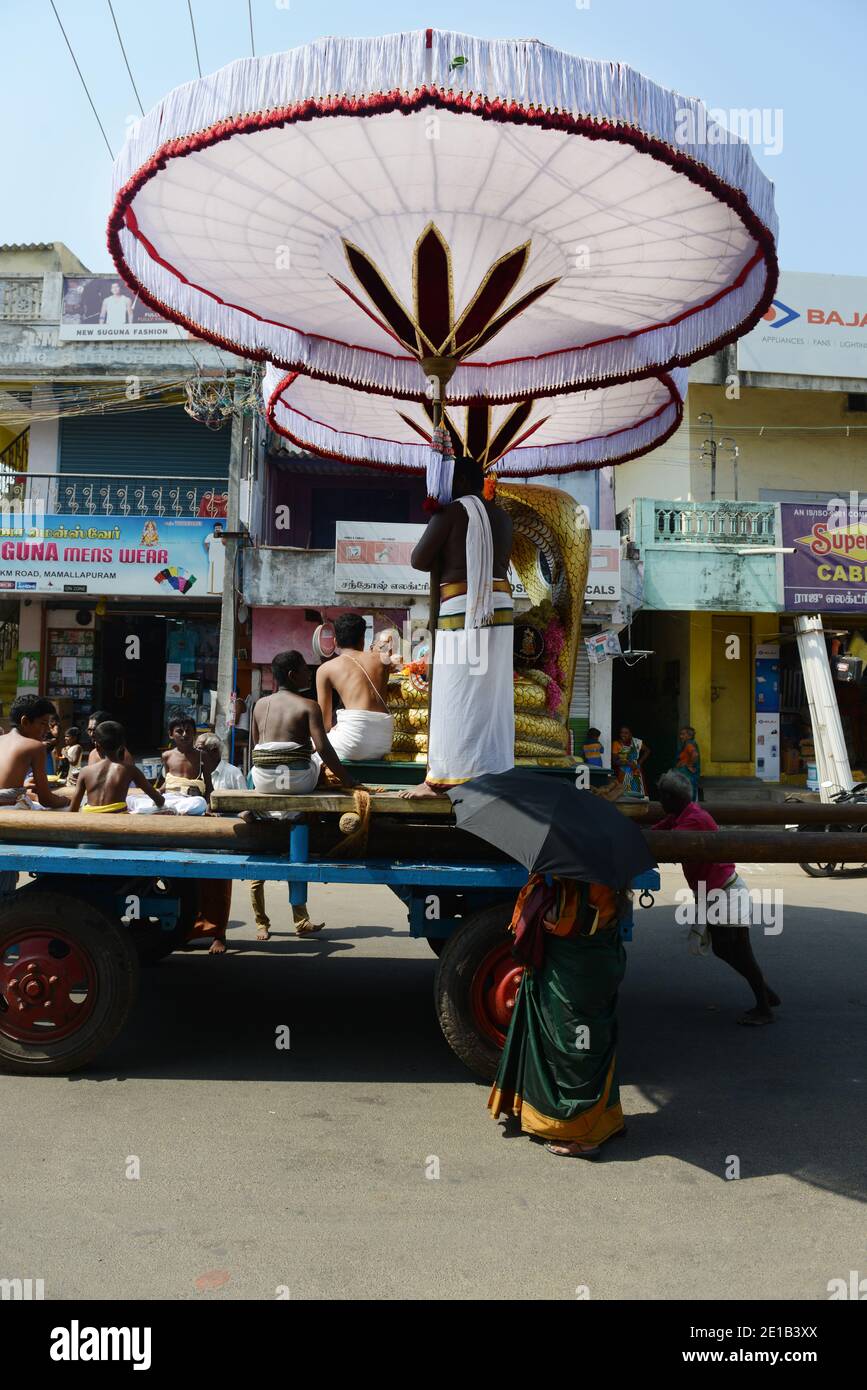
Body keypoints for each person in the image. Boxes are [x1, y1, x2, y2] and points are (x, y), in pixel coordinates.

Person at [489, 874, 630, 1158]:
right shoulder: (612, 871)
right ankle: (604, 1118)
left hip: (575, 970)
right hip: (601, 961)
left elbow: (565, 922)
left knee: (571, 1046)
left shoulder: (581, 875)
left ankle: (580, 1135)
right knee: (594, 1043)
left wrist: (542, 913)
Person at [404, 455, 514, 796]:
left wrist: (441, 534)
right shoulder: (503, 517)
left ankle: (441, 779)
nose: (446, 487)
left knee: (454, 694)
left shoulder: (452, 512)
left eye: (451, 481)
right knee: (489, 696)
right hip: (500, 607)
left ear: (463, 481)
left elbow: (418, 559)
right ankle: (491, 770)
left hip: (463, 608)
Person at [655, 771, 780, 1026]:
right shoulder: (682, 814)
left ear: (670, 797)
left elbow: (668, 841)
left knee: (741, 953)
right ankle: (766, 994)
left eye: (661, 797)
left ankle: (764, 1008)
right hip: (716, 892)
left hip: (726, 893)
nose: (660, 803)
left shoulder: (693, 820)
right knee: (724, 949)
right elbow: (661, 830)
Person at [249, 651, 355, 939]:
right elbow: (323, 748)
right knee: (318, 764)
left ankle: (255, 809)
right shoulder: (309, 705)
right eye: (306, 671)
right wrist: (349, 781)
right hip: (297, 782)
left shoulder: (259, 704)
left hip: (264, 781)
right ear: (294, 676)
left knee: (262, 769)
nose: (310, 675)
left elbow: (257, 745)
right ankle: (314, 819)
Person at [315, 613, 394, 763]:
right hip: (383, 741)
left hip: (352, 741)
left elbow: (324, 725)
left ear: (335, 641)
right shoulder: (383, 660)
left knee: (311, 746)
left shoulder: (325, 669)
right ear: (363, 639)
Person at [70, 721, 167, 814]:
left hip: (89, 819)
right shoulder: (130, 770)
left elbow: (73, 808)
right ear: (122, 746)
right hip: (118, 819)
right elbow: (159, 800)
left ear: (97, 746)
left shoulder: (85, 771)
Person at [0, 695, 68, 811]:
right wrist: (68, 800)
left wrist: (22, 788)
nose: (47, 729)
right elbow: (46, 800)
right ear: (25, 721)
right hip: (9, 813)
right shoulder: (35, 747)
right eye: (43, 723)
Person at [154, 710, 211, 814]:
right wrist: (157, 792)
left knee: (200, 802)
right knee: (135, 800)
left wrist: (208, 806)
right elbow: (169, 781)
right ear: (171, 734)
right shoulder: (166, 756)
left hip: (191, 799)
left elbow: (209, 785)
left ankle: (172, 811)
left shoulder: (202, 756)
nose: (184, 735)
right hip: (170, 798)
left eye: (188, 731)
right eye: (179, 731)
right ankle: (173, 810)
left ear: (194, 733)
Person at [611, 725, 649, 797]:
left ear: (631, 734)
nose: (623, 735)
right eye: (621, 733)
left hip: (636, 771)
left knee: (639, 793)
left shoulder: (636, 742)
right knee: (624, 795)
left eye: (626, 733)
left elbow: (647, 751)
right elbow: (615, 761)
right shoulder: (616, 744)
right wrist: (627, 763)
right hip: (623, 772)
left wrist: (640, 763)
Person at [674, 725, 701, 800]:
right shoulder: (687, 745)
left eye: (683, 734)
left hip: (687, 775)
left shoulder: (689, 745)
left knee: (688, 795)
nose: (681, 736)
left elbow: (695, 755)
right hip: (685, 775)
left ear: (689, 736)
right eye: (680, 734)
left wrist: (689, 765)